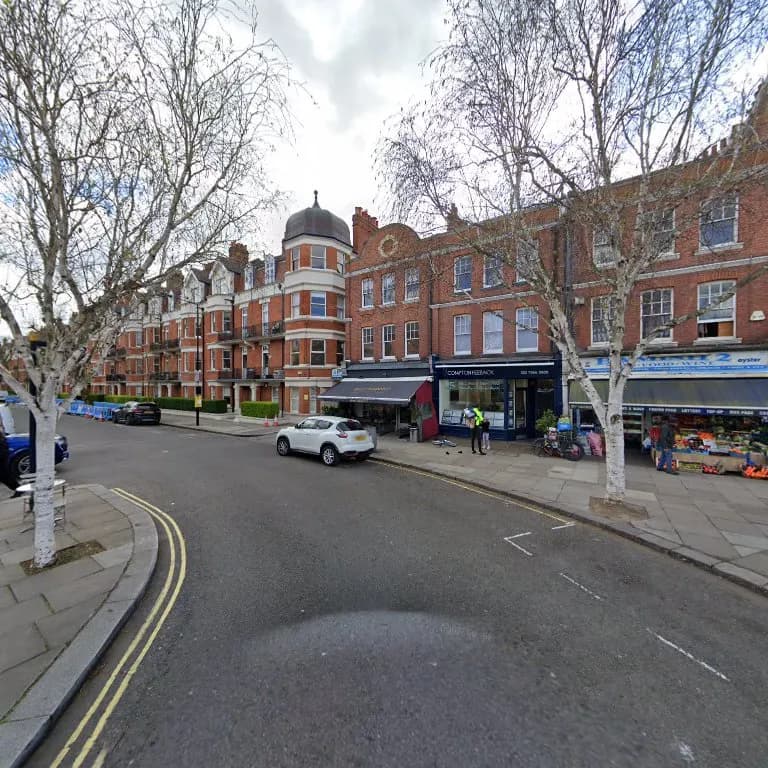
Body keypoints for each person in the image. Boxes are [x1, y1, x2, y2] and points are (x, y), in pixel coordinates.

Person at [0, 426, 20, 497]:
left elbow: (3, 452)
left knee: (6, 477)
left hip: (1, 462)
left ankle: (18, 489)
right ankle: (18, 489)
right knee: (6, 478)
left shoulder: (2, 441)